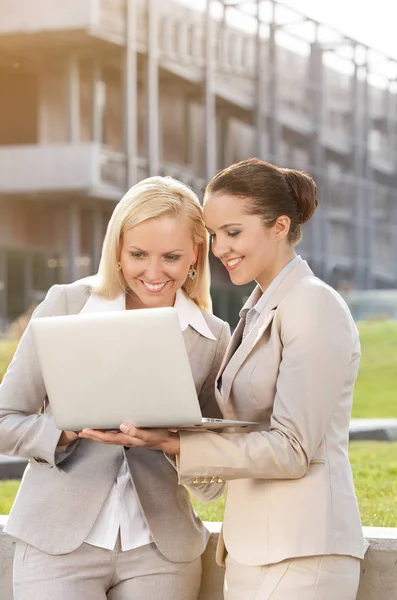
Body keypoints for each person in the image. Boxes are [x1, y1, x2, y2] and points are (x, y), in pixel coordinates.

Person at [97, 158, 369, 600]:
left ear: (280, 226)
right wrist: (163, 431)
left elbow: (293, 448)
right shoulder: (257, 311)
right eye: (213, 234)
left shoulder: (314, 305)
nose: (220, 247)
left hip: (304, 552)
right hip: (251, 551)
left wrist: (177, 444)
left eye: (233, 232)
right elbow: (238, 441)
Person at [0, 175, 230, 600]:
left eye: (172, 256)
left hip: (162, 552)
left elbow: (212, 473)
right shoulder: (67, 305)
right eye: (138, 254)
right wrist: (67, 430)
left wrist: (170, 443)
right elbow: (4, 419)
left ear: (195, 254)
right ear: (117, 251)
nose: (154, 272)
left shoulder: (212, 337)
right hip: (57, 545)